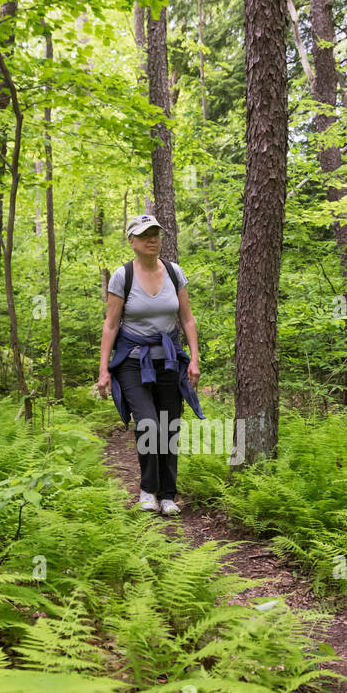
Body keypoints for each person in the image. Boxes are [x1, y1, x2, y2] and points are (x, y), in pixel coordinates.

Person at [98, 215, 204, 514]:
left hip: (169, 361)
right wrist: (103, 370)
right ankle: (147, 490)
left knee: (169, 427)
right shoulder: (123, 276)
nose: (152, 238)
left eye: (156, 232)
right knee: (148, 424)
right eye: (145, 234)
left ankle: (168, 495)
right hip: (132, 362)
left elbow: (187, 318)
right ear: (132, 241)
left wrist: (194, 359)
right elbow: (111, 324)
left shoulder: (174, 272)